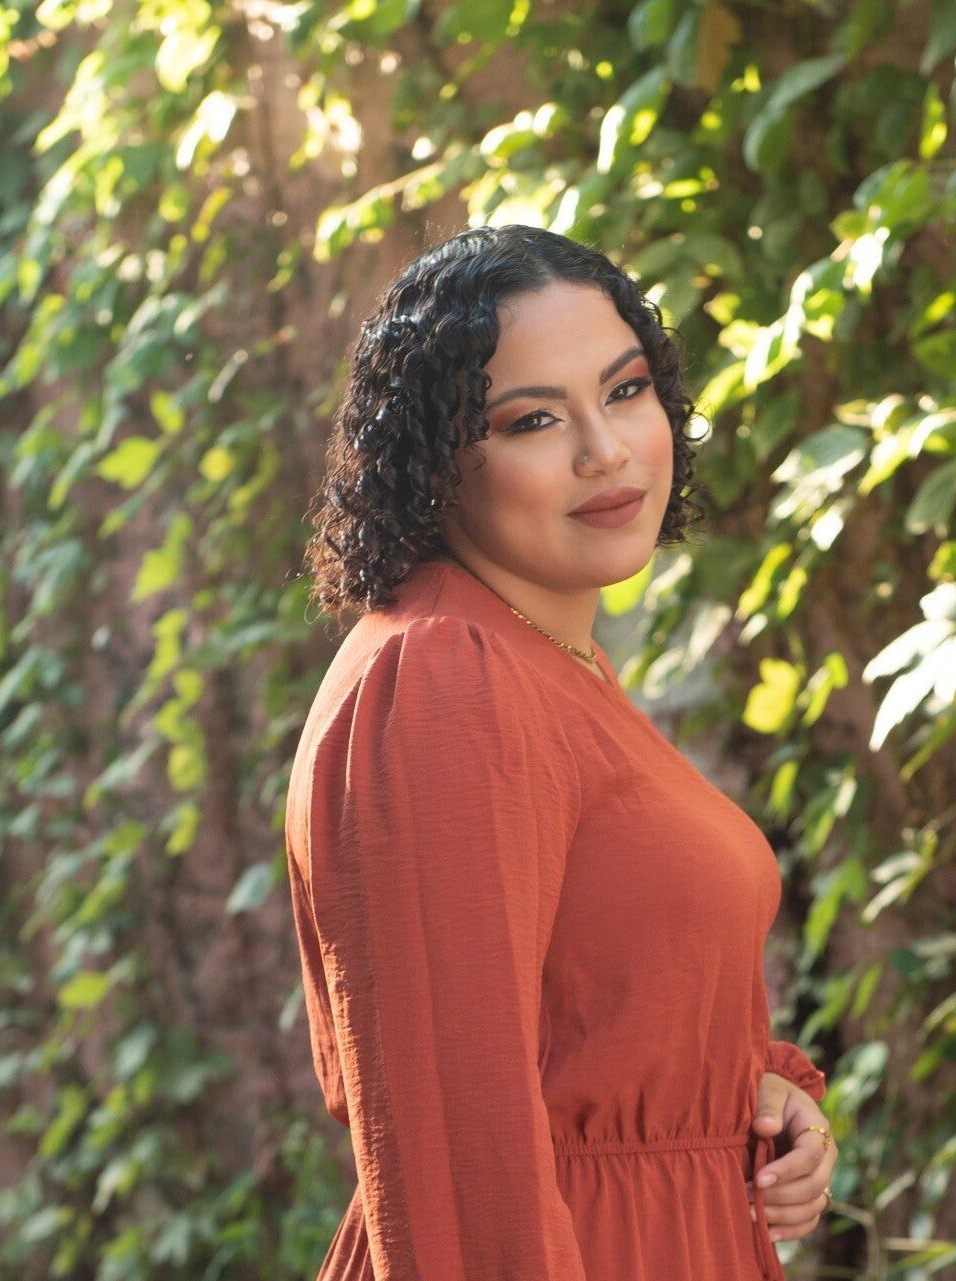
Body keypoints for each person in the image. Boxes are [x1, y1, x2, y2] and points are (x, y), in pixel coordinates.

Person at [283, 223, 836, 1280]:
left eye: (625, 391)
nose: (605, 450)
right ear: (435, 459)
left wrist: (748, 1096)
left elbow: (588, 1015)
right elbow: (455, 1149)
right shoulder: (443, 679)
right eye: (532, 419)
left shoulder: (544, 660)